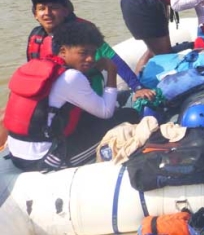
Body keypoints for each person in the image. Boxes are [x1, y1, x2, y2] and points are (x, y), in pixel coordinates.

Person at [4, 21, 140, 171]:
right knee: (129, 115)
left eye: (93, 53)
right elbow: (106, 112)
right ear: (63, 51)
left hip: (18, 154)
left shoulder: (39, 66)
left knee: (104, 111)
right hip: (45, 159)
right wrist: (111, 70)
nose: (90, 59)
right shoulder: (71, 77)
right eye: (83, 53)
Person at [27, 0, 153, 100]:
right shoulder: (36, 37)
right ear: (35, 15)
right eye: (42, 9)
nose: (47, 13)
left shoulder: (83, 31)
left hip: (86, 94)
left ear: (65, 11)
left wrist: (138, 88)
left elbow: (112, 57)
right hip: (53, 95)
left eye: (54, 8)